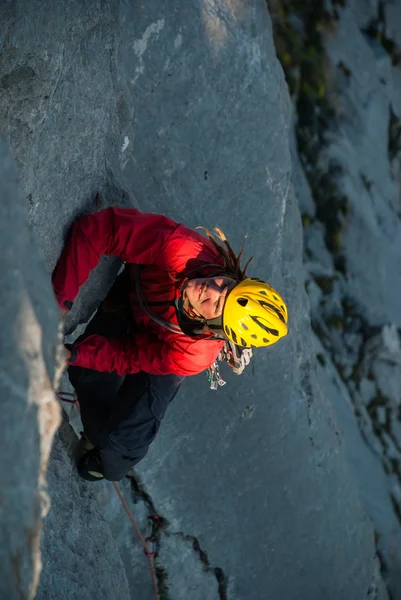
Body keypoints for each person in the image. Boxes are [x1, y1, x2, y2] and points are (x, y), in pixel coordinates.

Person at [52, 206, 288, 482]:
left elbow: (132, 356)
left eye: (217, 304)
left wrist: (73, 353)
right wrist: (58, 304)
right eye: (225, 284)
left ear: (214, 328)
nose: (209, 288)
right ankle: (96, 427)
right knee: (84, 374)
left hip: (167, 345)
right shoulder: (186, 251)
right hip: (137, 296)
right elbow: (99, 230)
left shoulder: (196, 353)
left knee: (118, 446)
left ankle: (106, 458)